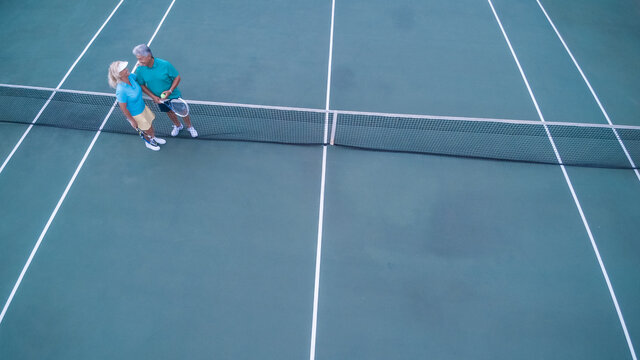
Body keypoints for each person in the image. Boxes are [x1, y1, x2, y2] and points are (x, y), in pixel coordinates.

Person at [132, 44, 198, 138]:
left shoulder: (165, 64)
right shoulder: (140, 69)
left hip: (173, 95)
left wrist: (170, 91)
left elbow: (177, 77)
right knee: (169, 112)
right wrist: (153, 97)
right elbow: (142, 85)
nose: (139, 61)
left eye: (141, 58)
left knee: (183, 112)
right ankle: (178, 125)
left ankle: (190, 127)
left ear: (149, 56)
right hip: (159, 99)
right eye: (138, 58)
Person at [108, 61, 166, 151]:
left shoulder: (130, 76)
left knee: (149, 125)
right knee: (146, 130)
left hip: (143, 107)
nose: (127, 69)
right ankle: (149, 143)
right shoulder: (121, 90)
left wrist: (141, 68)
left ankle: (153, 137)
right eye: (124, 69)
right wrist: (131, 120)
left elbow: (140, 78)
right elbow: (123, 108)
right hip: (136, 114)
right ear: (119, 74)